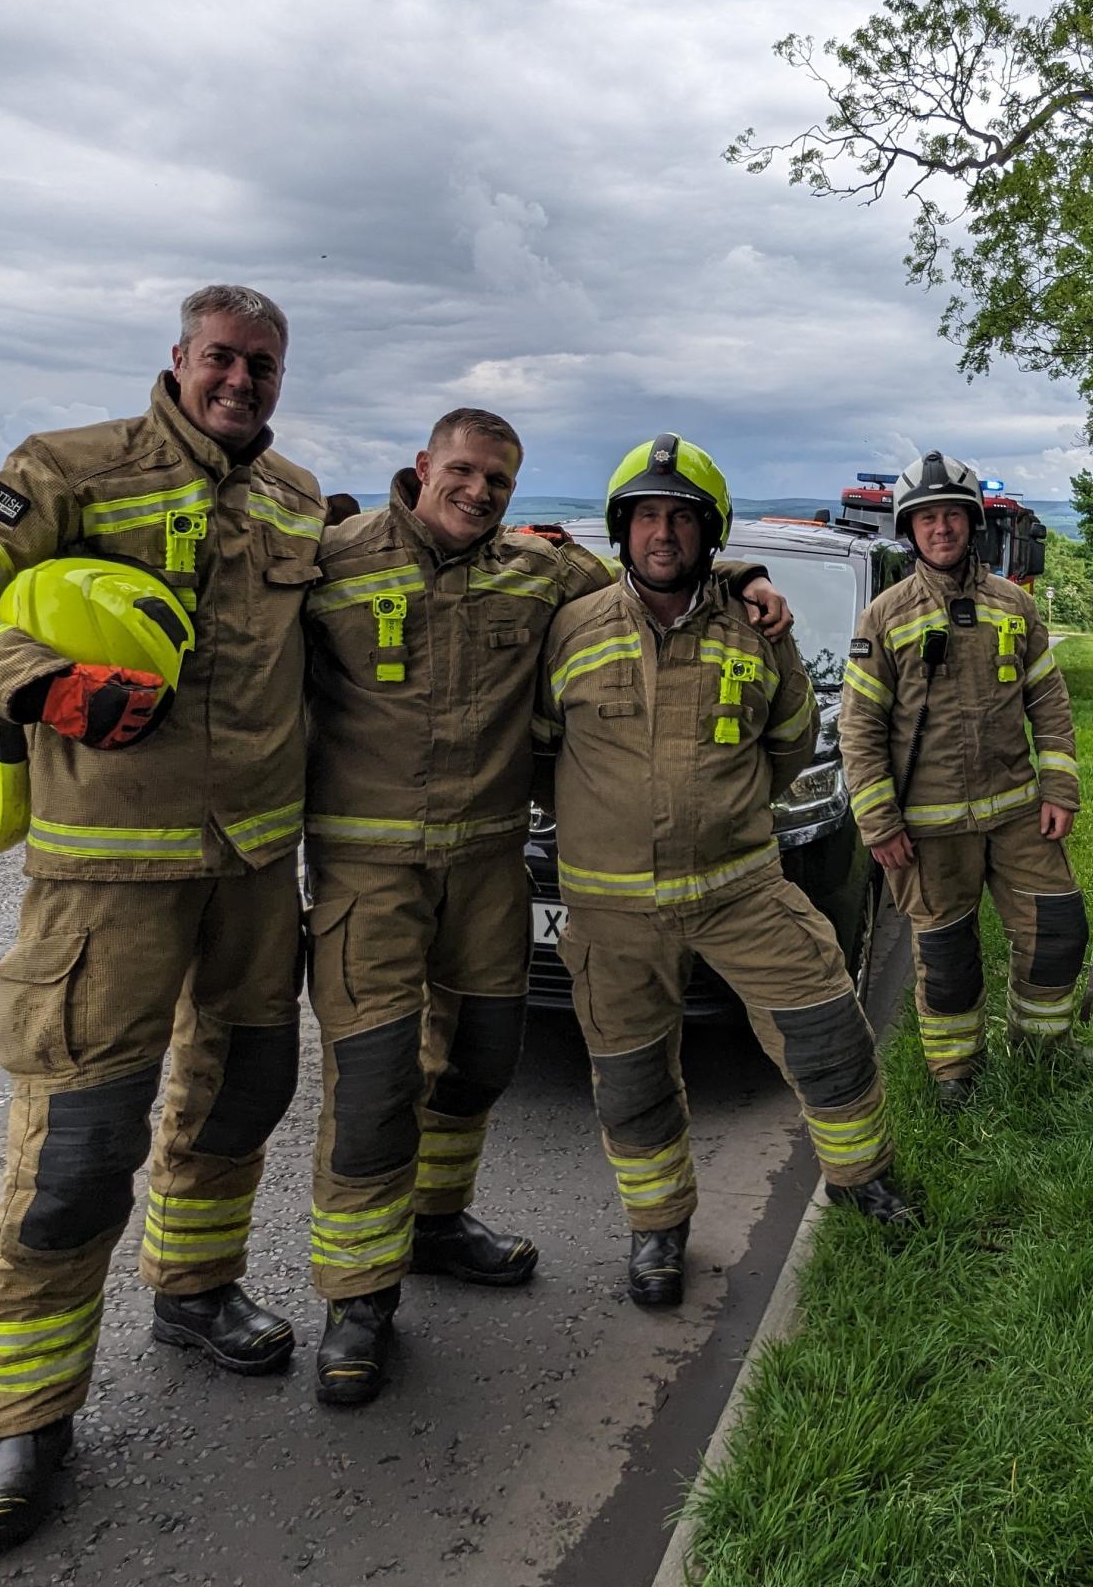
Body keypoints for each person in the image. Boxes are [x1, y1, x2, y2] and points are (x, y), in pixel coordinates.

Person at [0, 286, 326, 1557]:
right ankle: (26, 1417)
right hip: (103, 883)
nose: (242, 382)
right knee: (76, 1152)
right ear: (178, 360)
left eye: (264, 366)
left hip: (250, 874)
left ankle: (195, 1292)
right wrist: (35, 680)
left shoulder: (294, 496)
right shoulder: (67, 470)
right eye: (223, 359)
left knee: (240, 1098)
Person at [299, 409, 792, 1404]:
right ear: (424, 467)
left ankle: (435, 1225)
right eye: (466, 474)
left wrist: (743, 578)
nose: (479, 494)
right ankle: (358, 1303)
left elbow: (654, 581)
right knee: (375, 1084)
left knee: (482, 1056)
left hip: (485, 867)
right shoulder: (331, 560)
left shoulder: (536, 573)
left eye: (499, 484)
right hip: (368, 872)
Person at [540, 434, 917, 1308]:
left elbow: (788, 746)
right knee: (631, 1082)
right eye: (645, 516)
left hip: (741, 888)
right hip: (611, 908)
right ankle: (657, 1233)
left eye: (680, 517)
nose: (661, 533)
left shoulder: (757, 629)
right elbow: (537, 751)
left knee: (828, 1031)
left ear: (709, 534)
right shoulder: (570, 628)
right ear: (621, 528)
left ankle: (865, 1184)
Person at [837, 451, 1087, 1109]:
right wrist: (879, 822)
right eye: (926, 518)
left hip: (1016, 815)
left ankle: (1043, 1054)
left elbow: (1050, 703)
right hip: (928, 827)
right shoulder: (884, 618)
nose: (940, 528)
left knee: (1057, 931)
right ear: (910, 529)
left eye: (951, 515)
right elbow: (858, 730)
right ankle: (956, 1072)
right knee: (948, 960)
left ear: (970, 523)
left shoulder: (1013, 607)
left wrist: (1059, 787)